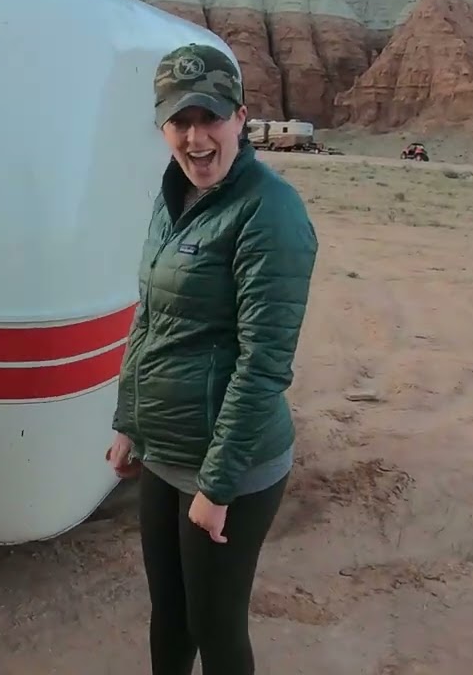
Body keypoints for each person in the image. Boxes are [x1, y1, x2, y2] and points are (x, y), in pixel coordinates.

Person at [106, 43, 319, 675]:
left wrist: (217, 485)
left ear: (241, 118)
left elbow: (263, 362)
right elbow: (152, 317)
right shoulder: (174, 197)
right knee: (169, 616)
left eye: (211, 118)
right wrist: (128, 421)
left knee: (215, 627)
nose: (196, 137)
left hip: (231, 466)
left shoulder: (268, 210)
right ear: (162, 127)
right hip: (166, 449)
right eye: (180, 121)